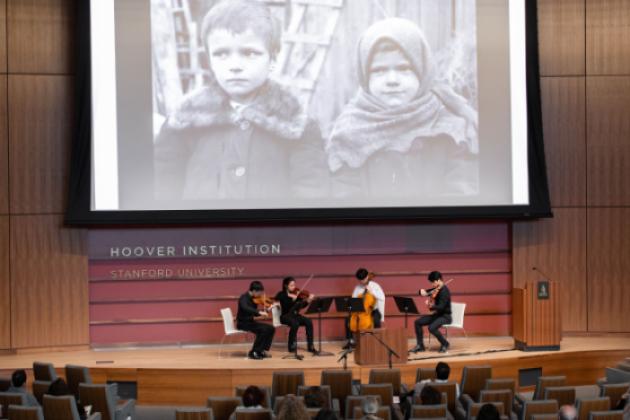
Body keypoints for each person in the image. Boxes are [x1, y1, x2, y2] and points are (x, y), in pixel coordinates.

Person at [154, 0, 329, 202]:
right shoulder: (184, 122)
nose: (234, 65)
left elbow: (312, 197)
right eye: (221, 54)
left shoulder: (297, 126)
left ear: (272, 59)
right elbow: (162, 194)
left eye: (249, 53)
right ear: (209, 59)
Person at [326, 17, 478, 201]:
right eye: (379, 70)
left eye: (404, 68)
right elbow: (345, 197)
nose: (392, 80)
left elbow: (462, 194)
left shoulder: (450, 129)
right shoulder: (350, 130)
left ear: (423, 72)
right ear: (365, 76)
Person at [410, 271, 452, 353]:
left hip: (445, 316)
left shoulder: (444, 291)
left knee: (431, 328)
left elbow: (441, 307)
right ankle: (420, 345)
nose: (432, 285)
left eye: (433, 282)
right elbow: (426, 292)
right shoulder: (436, 289)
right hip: (438, 315)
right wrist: (421, 292)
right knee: (418, 322)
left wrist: (431, 306)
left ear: (438, 280)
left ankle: (445, 343)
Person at [275, 276, 319, 354]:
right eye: (291, 285)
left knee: (308, 321)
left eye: (294, 285)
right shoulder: (281, 294)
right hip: (285, 316)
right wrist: (292, 300)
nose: (294, 287)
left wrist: (308, 300)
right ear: (286, 286)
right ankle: (291, 346)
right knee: (295, 323)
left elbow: (301, 306)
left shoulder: (297, 295)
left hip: (295, 315)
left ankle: (311, 346)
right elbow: (284, 305)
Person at [344, 268, 386, 349]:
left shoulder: (375, 286)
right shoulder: (357, 287)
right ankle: (351, 341)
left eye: (363, 279)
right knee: (348, 320)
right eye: (360, 280)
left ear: (367, 276)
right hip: (359, 311)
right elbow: (353, 299)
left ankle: (376, 342)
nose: (362, 282)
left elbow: (382, 297)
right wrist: (351, 305)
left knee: (376, 320)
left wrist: (372, 291)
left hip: (373, 310)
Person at [237, 281, 275, 360]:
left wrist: (266, 311)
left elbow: (254, 313)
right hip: (243, 323)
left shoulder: (254, 299)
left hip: (250, 322)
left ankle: (261, 350)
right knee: (263, 330)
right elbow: (246, 308)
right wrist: (259, 312)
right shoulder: (243, 298)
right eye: (259, 293)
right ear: (254, 291)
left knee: (271, 328)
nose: (260, 295)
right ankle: (253, 352)